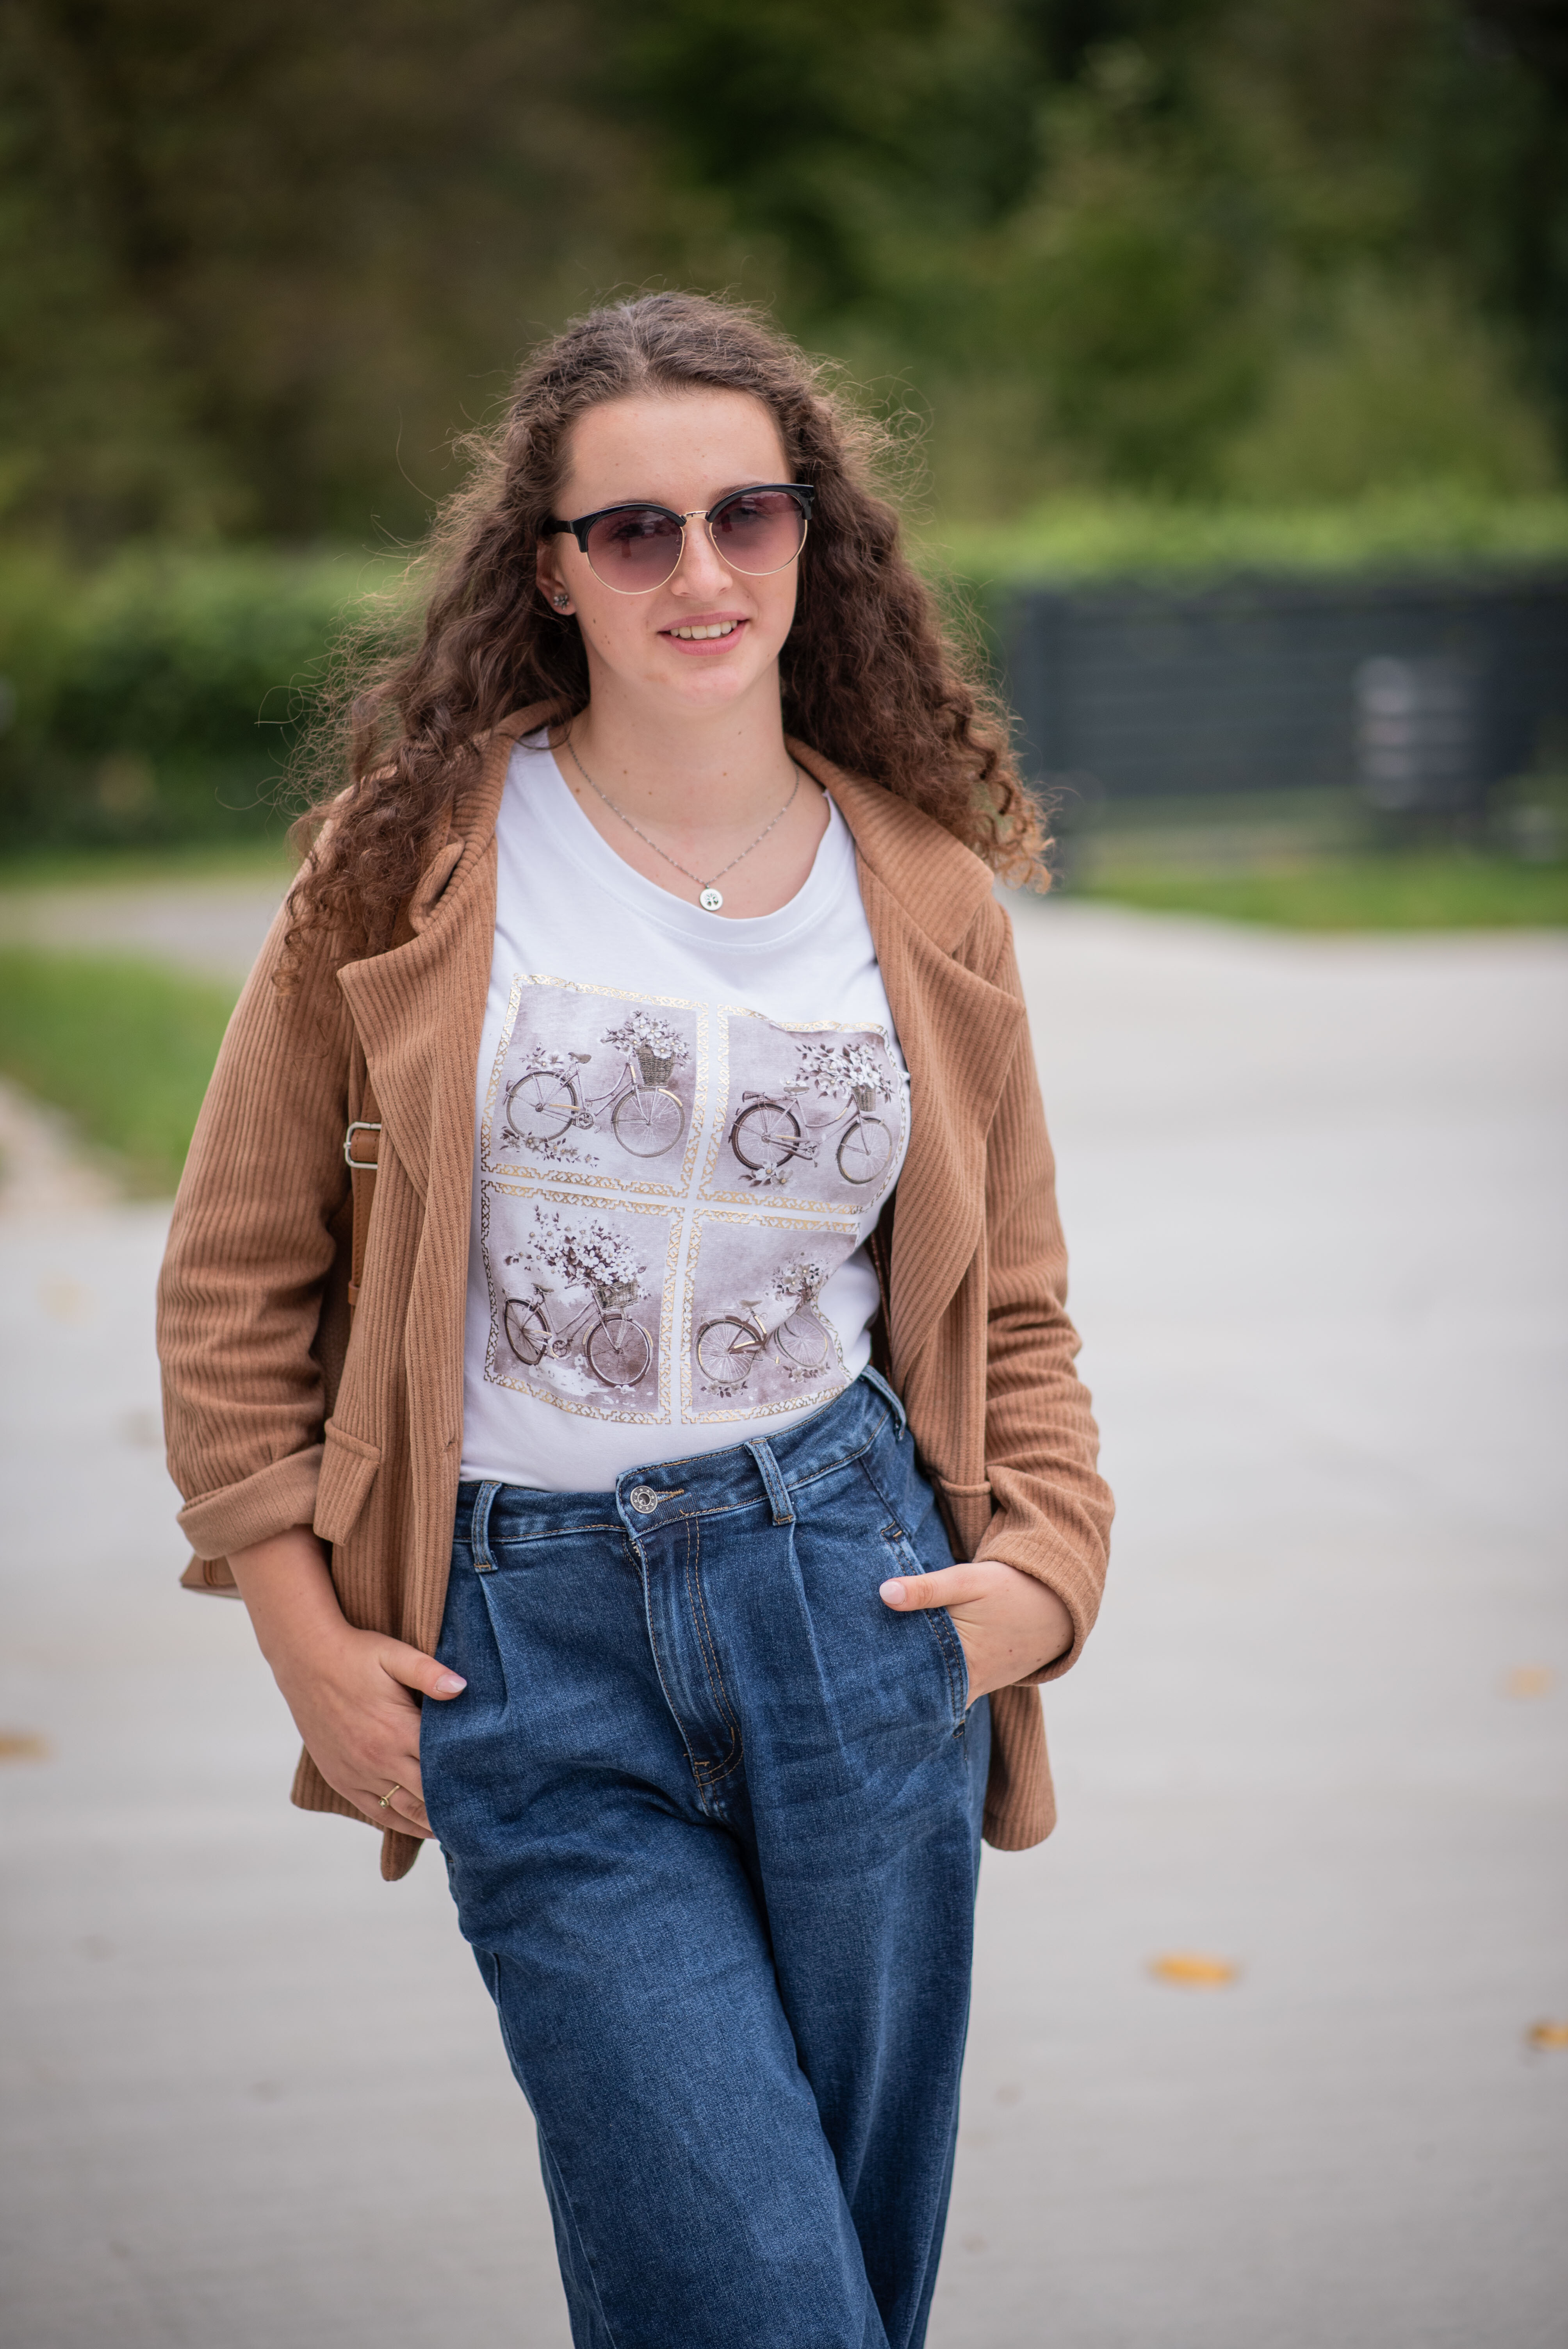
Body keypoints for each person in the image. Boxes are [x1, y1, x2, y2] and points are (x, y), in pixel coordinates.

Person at [157, 290, 1113, 2349]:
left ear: (810, 539)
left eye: (746, 516)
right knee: (751, 2292)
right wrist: (302, 1635)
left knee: (835, 2288)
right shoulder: (408, 869)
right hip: (529, 1649)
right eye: (635, 530)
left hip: (855, 1611)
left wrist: (1046, 1578)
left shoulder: (925, 890)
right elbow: (236, 1279)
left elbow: (1015, 1299)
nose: (700, 573)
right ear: (550, 568)